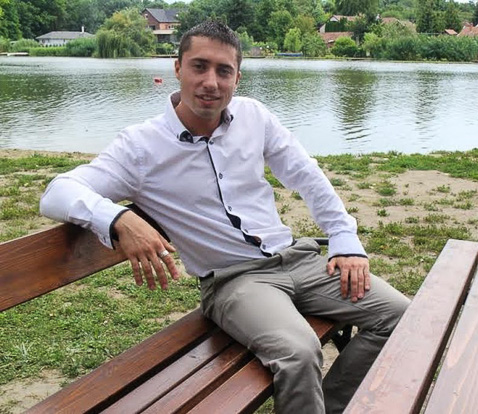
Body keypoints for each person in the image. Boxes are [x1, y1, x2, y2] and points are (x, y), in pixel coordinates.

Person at [40, 21, 409, 414]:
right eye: (199, 66)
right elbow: (57, 192)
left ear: (237, 78)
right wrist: (117, 219)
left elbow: (306, 174)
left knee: (401, 316)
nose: (211, 82)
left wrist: (343, 237)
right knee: (299, 352)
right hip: (236, 282)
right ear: (177, 67)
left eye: (224, 71)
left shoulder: (254, 116)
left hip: (297, 259)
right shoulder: (141, 147)